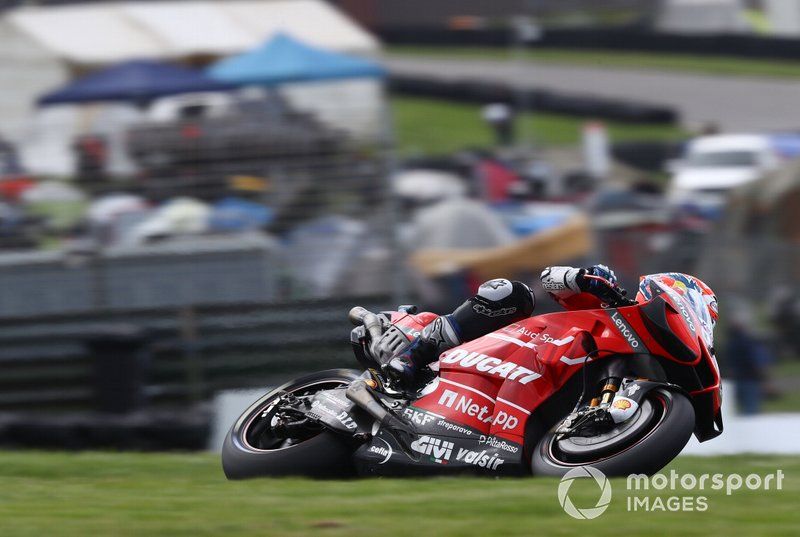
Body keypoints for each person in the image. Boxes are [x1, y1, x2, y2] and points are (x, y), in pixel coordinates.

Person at [372, 265, 718, 388]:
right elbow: (550, 279)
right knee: (511, 293)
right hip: (527, 346)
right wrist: (585, 280)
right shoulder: (610, 289)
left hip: (540, 378)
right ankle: (413, 357)